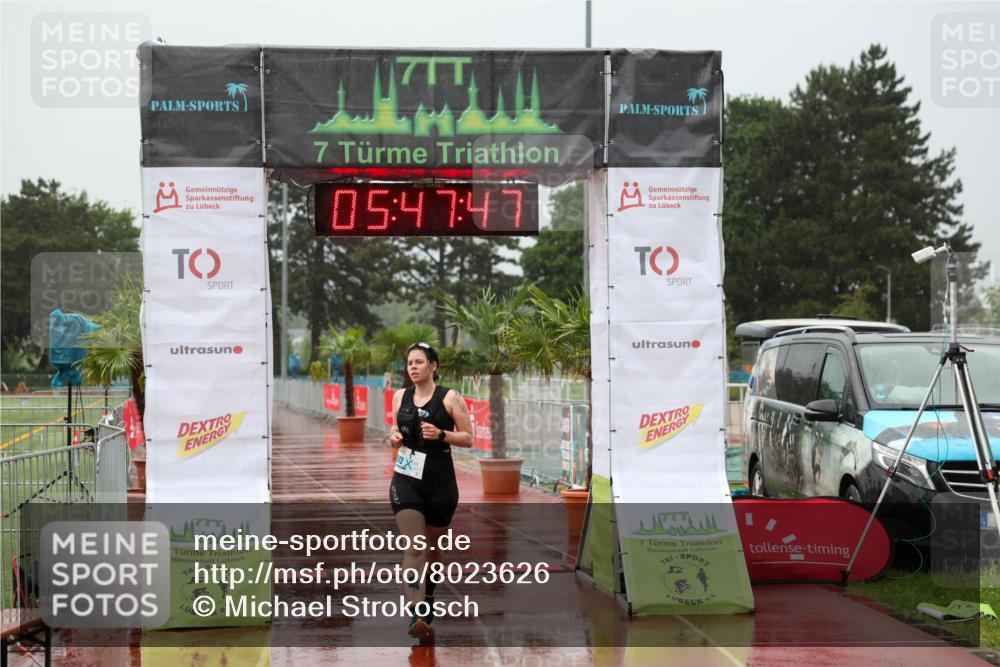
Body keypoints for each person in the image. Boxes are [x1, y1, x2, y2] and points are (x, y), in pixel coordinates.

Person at [388, 342, 473, 639]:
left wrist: (441, 434)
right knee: (415, 546)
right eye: (409, 362)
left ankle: (428, 595)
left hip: (440, 482)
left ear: (433, 366)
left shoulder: (450, 398)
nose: (413, 367)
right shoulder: (400, 396)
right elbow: (395, 429)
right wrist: (394, 437)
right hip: (406, 476)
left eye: (419, 362)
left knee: (433, 550)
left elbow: (468, 437)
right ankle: (416, 612)